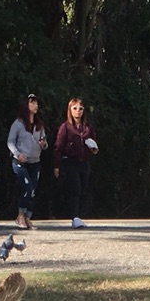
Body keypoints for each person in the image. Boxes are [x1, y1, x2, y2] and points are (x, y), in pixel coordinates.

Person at [54, 97, 98, 227]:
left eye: (80, 109)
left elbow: (93, 143)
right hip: (70, 161)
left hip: (84, 162)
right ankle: (75, 217)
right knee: (75, 188)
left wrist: (93, 149)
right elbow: (58, 147)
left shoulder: (88, 128)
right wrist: (56, 165)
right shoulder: (65, 127)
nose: (78, 111)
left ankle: (80, 216)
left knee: (84, 189)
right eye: (75, 108)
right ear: (70, 110)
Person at [7, 94, 48, 228]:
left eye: (36, 103)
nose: (35, 106)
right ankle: (20, 215)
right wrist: (18, 154)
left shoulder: (40, 124)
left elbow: (44, 142)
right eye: (32, 103)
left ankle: (28, 216)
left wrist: (43, 144)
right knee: (27, 186)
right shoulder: (18, 124)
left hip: (35, 161)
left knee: (33, 190)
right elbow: (10, 142)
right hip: (20, 162)